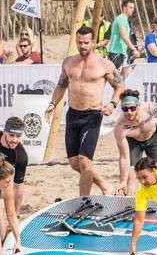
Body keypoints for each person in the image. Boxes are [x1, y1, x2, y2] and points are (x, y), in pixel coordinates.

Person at [44, 25, 120, 196]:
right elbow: (62, 85)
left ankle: (84, 201)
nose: (83, 46)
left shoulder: (105, 64)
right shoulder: (68, 63)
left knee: (85, 161)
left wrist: (112, 104)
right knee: (74, 162)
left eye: (86, 43)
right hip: (73, 114)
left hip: (92, 115)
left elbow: (119, 86)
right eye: (79, 42)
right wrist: (52, 104)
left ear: (93, 42)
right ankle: (105, 185)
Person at [114, 90, 157, 196]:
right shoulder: (120, 126)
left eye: (132, 108)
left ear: (138, 105)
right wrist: (123, 182)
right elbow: (124, 156)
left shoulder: (149, 109)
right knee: (131, 174)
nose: (129, 112)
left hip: (153, 137)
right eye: (125, 109)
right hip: (133, 142)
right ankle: (130, 204)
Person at [109, 0, 138, 73]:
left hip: (121, 51)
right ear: (124, 8)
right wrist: (133, 49)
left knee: (128, 73)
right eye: (130, 7)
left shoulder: (124, 19)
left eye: (133, 8)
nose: (132, 10)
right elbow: (123, 35)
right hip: (116, 51)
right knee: (116, 77)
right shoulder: (121, 19)